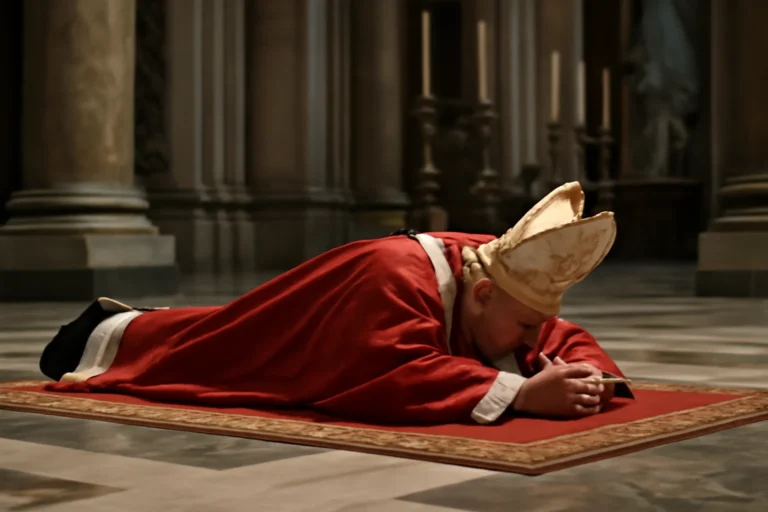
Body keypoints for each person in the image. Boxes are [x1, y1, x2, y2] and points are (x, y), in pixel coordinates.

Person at [39, 181, 632, 425]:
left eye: (536, 331)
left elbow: (553, 330)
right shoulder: (394, 281)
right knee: (217, 348)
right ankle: (109, 333)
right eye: (527, 329)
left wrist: (589, 375)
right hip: (297, 338)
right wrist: (525, 392)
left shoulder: (501, 268)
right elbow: (394, 373)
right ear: (480, 294)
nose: (533, 343)